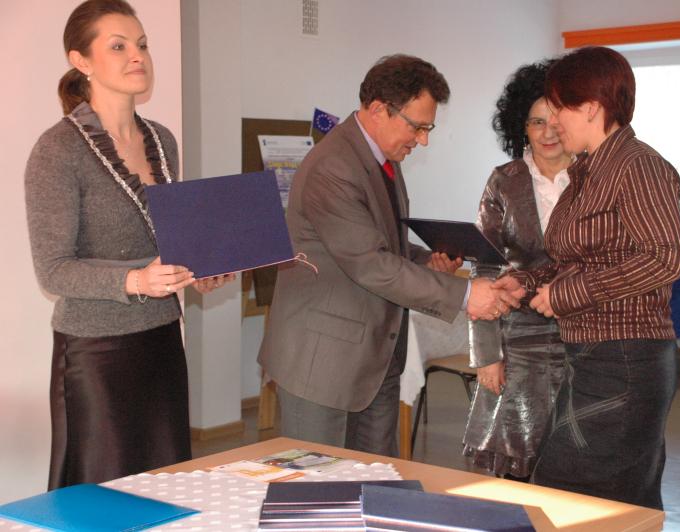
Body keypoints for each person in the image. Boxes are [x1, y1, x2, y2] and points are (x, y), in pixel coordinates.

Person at [259, 54, 524, 457]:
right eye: (417, 127)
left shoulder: (383, 158)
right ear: (378, 109)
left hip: (375, 358)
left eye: (428, 128)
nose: (423, 140)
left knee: (374, 480)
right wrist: (468, 295)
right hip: (323, 363)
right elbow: (369, 264)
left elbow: (383, 246)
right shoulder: (333, 167)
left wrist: (426, 261)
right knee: (317, 485)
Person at [25, 0, 233, 489]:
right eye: (118, 46)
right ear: (81, 60)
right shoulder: (57, 149)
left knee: (166, 485)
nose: (137, 55)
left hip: (162, 339)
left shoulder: (162, 140)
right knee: (105, 496)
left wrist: (197, 270)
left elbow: (168, 240)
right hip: (97, 353)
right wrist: (137, 280)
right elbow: (53, 270)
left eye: (141, 44)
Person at [526, 46, 680, 509]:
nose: (553, 123)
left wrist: (567, 294)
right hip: (594, 356)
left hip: (626, 358)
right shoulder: (588, 171)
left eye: (560, 108)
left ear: (592, 107)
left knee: (571, 495)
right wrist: (525, 284)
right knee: (609, 500)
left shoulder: (638, 165)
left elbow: (664, 258)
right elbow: (579, 259)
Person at [462, 61, 570, 481]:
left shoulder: (595, 179)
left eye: (556, 120)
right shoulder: (503, 182)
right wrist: (487, 355)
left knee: (575, 464)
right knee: (517, 469)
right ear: (520, 127)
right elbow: (484, 270)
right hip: (518, 345)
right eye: (536, 121)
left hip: (584, 340)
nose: (547, 132)